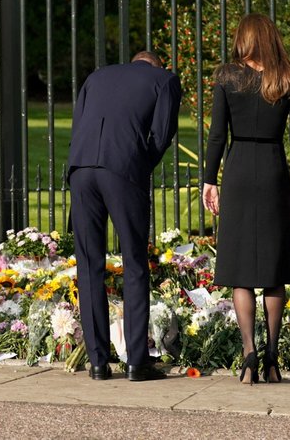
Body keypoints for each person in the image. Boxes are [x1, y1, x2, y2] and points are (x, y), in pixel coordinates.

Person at [202, 13, 290, 385]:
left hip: (236, 171)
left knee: (241, 269)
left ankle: (249, 353)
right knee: (274, 267)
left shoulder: (227, 76)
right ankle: (272, 358)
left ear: (244, 39)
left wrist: (209, 180)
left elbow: (217, 134)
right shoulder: (289, 76)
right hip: (272, 169)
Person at [68, 51, 181, 381]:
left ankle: (98, 362)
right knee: (134, 262)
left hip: (81, 168)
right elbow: (161, 135)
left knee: (89, 265)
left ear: (133, 62)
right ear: (156, 65)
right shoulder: (165, 80)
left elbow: (79, 124)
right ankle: (136, 361)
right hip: (122, 169)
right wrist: (139, 164)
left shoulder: (97, 76)